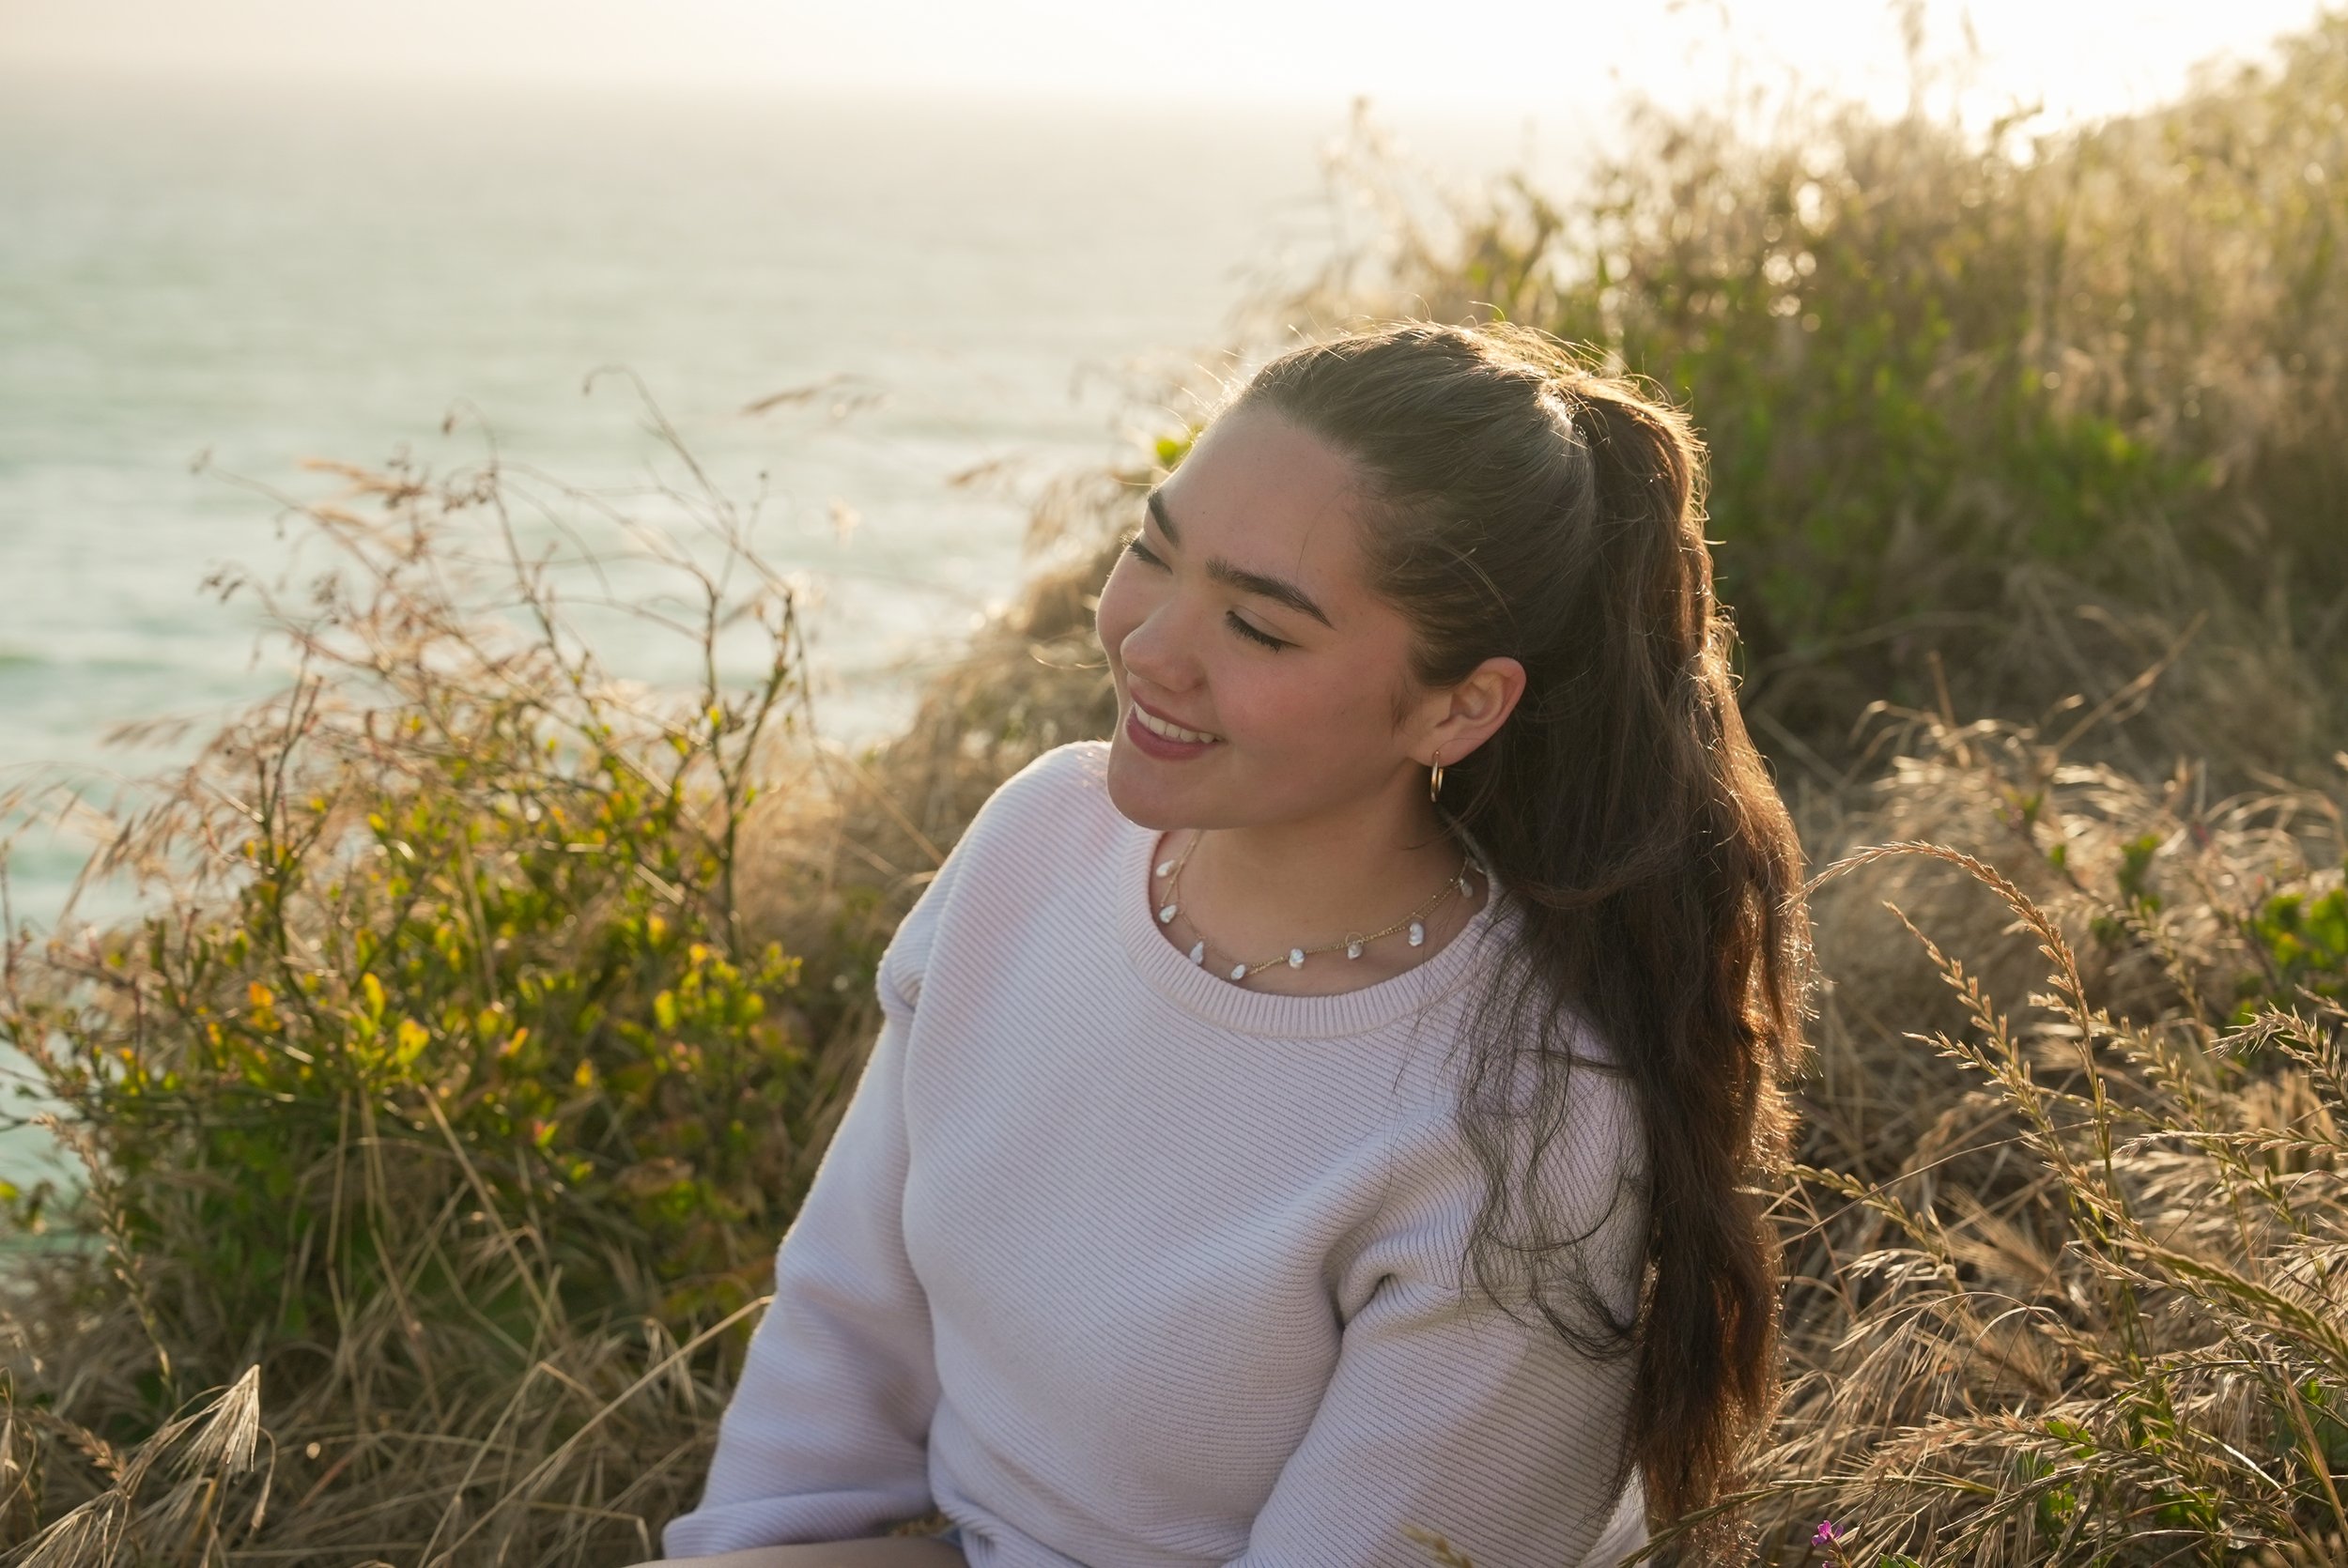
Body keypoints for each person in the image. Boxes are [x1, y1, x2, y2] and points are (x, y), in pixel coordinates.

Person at [642, 320, 1814, 1568]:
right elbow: (841, 1321)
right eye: (1155, 551)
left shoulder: (1527, 1123)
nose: (1150, 647)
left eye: (1259, 626)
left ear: (1457, 705)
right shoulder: (1043, 838)